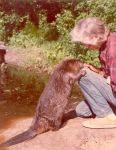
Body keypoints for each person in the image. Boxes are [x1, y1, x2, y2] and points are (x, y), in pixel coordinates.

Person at [70, 17, 116, 128]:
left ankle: (107, 117)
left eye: (87, 43)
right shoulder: (106, 43)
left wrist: (107, 81)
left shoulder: (113, 49)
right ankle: (109, 113)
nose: (86, 46)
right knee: (82, 110)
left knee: (83, 73)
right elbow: (109, 73)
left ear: (95, 36)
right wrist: (95, 70)